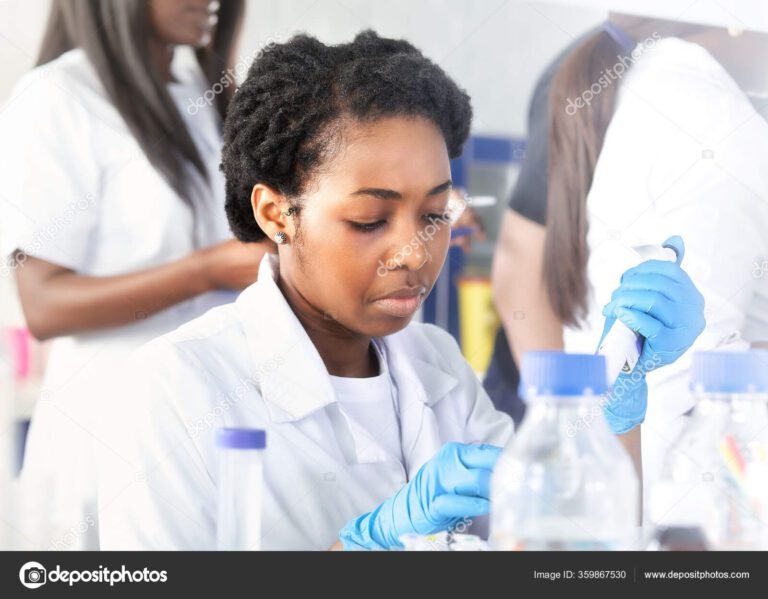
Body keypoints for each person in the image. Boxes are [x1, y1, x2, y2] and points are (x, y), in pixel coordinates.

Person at [96, 30, 705, 551]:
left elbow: (568, 552)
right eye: (369, 221)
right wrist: (366, 547)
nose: (414, 253)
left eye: (435, 215)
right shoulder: (175, 389)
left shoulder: (436, 364)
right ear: (276, 213)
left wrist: (615, 400)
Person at [0, 0, 270, 549]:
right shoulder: (57, 98)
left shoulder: (205, 94)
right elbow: (45, 305)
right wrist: (208, 271)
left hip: (206, 423)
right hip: (103, 434)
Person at [490, 5, 768, 490]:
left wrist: (568, 428)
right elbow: (694, 386)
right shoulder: (711, 118)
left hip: (605, 467)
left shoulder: (624, 74)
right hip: (660, 483)